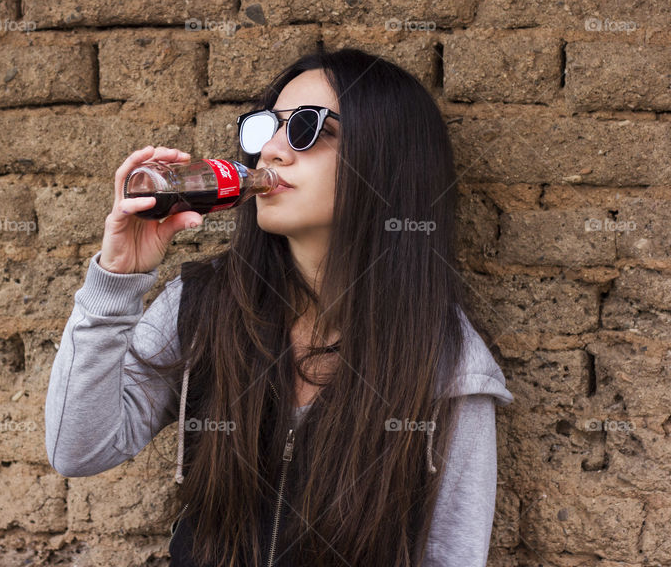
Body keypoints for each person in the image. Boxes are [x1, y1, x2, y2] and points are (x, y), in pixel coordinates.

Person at [45, 47, 514, 566]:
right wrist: (117, 279)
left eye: (308, 129)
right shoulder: (205, 305)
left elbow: (452, 556)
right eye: (268, 128)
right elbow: (78, 449)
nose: (271, 151)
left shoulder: (445, 360)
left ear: (387, 158)